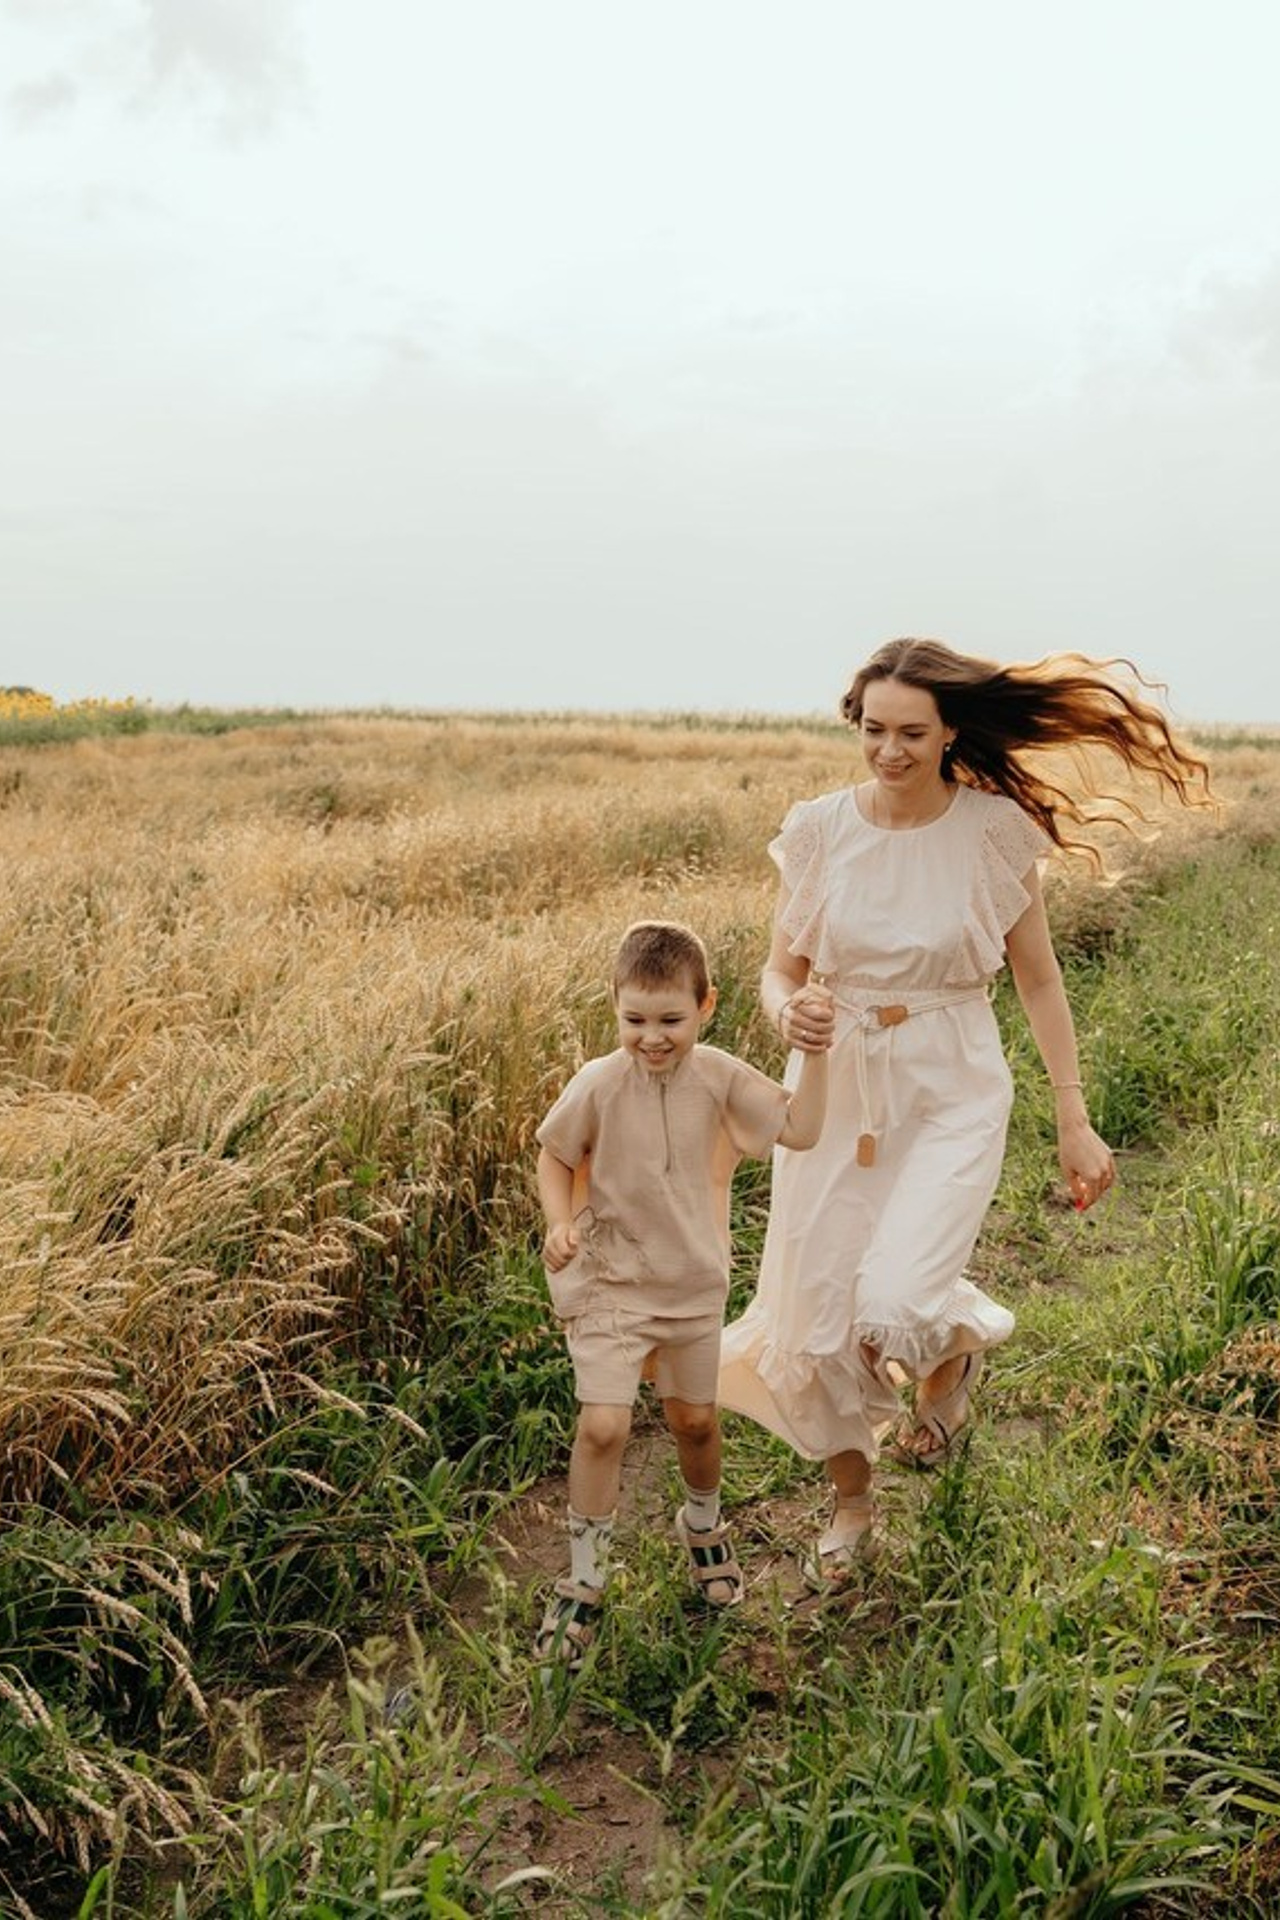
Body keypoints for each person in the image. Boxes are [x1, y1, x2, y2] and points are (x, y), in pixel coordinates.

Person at [718, 637, 1213, 1586]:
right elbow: (781, 970)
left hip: (953, 1082)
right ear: (854, 723)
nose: (890, 750)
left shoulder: (990, 832)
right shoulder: (822, 829)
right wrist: (794, 1011)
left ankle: (947, 1356)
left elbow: (1038, 980)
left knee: (893, 1302)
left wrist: (1075, 1116)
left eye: (912, 732)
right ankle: (853, 1505)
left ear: (951, 733)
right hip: (834, 1090)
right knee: (816, 1324)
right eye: (874, 730)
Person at [534, 919, 829, 1666]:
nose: (652, 1037)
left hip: (692, 1285)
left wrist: (817, 1054)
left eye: (670, 1019)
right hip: (608, 1281)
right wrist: (561, 1219)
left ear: (707, 1006)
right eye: (634, 1020)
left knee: (695, 1422)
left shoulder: (720, 1076)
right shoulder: (598, 1083)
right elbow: (552, 1152)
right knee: (604, 1426)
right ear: (614, 1009)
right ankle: (584, 1577)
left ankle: (701, 1524)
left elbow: (801, 1130)